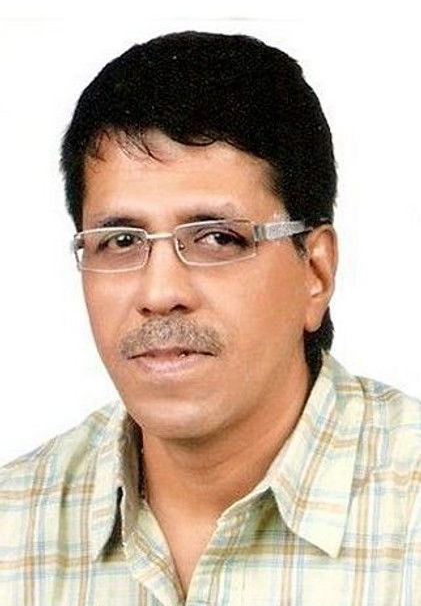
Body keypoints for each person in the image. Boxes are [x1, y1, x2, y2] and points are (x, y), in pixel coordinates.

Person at [0, 31, 420, 606]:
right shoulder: (13, 527)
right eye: (120, 241)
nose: (160, 293)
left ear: (316, 271)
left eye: (218, 238)